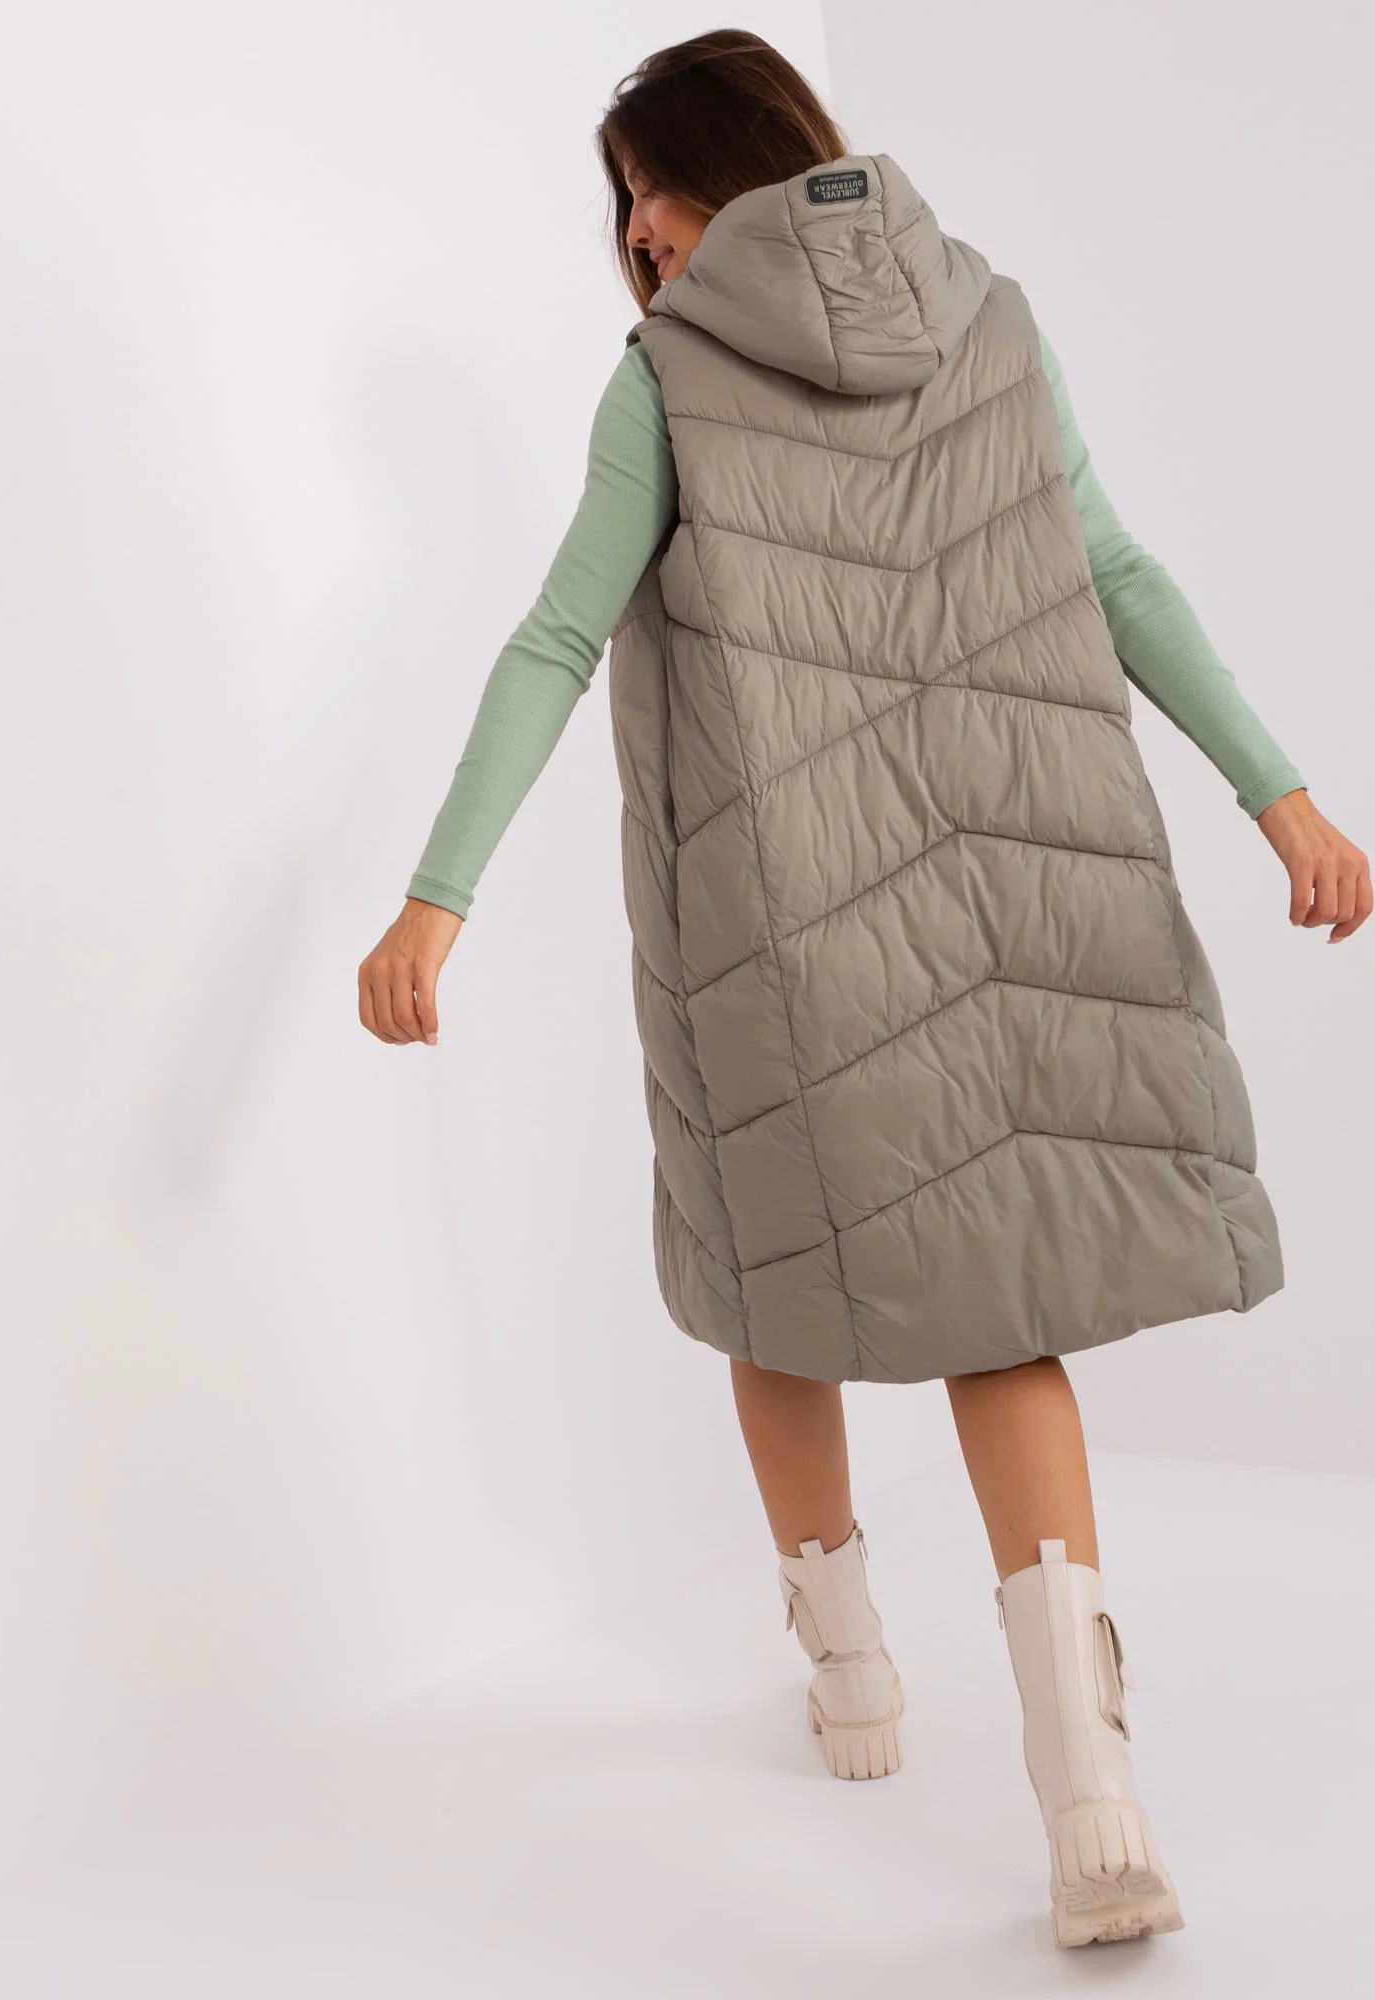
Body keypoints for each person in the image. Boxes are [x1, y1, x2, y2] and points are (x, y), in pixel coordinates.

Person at [360, 31, 1370, 1951]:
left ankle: (850, 1679)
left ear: (706, 172)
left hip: (788, 914)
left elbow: (561, 634)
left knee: (778, 1280)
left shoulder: (666, 376)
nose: (638, 240)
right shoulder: (992, 318)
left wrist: (436, 898)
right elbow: (1115, 569)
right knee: (1008, 1307)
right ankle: (1092, 1796)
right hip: (1022, 884)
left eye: (643, 196)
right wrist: (1284, 796)